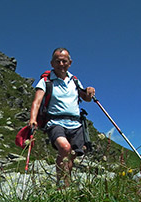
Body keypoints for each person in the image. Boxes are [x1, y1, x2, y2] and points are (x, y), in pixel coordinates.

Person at [29, 48, 96, 187]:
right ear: (52, 63)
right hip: (55, 122)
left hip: (76, 123)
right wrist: (33, 119)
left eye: (64, 61)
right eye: (57, 61)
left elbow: (86, 98)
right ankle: (61, 185)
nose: (61, 64)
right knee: (64, 148)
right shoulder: (46, 81)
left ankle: (66, 183)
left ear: (70, 63)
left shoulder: (75, 81)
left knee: (72, 154)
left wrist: (89, 92)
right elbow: (37, 101)